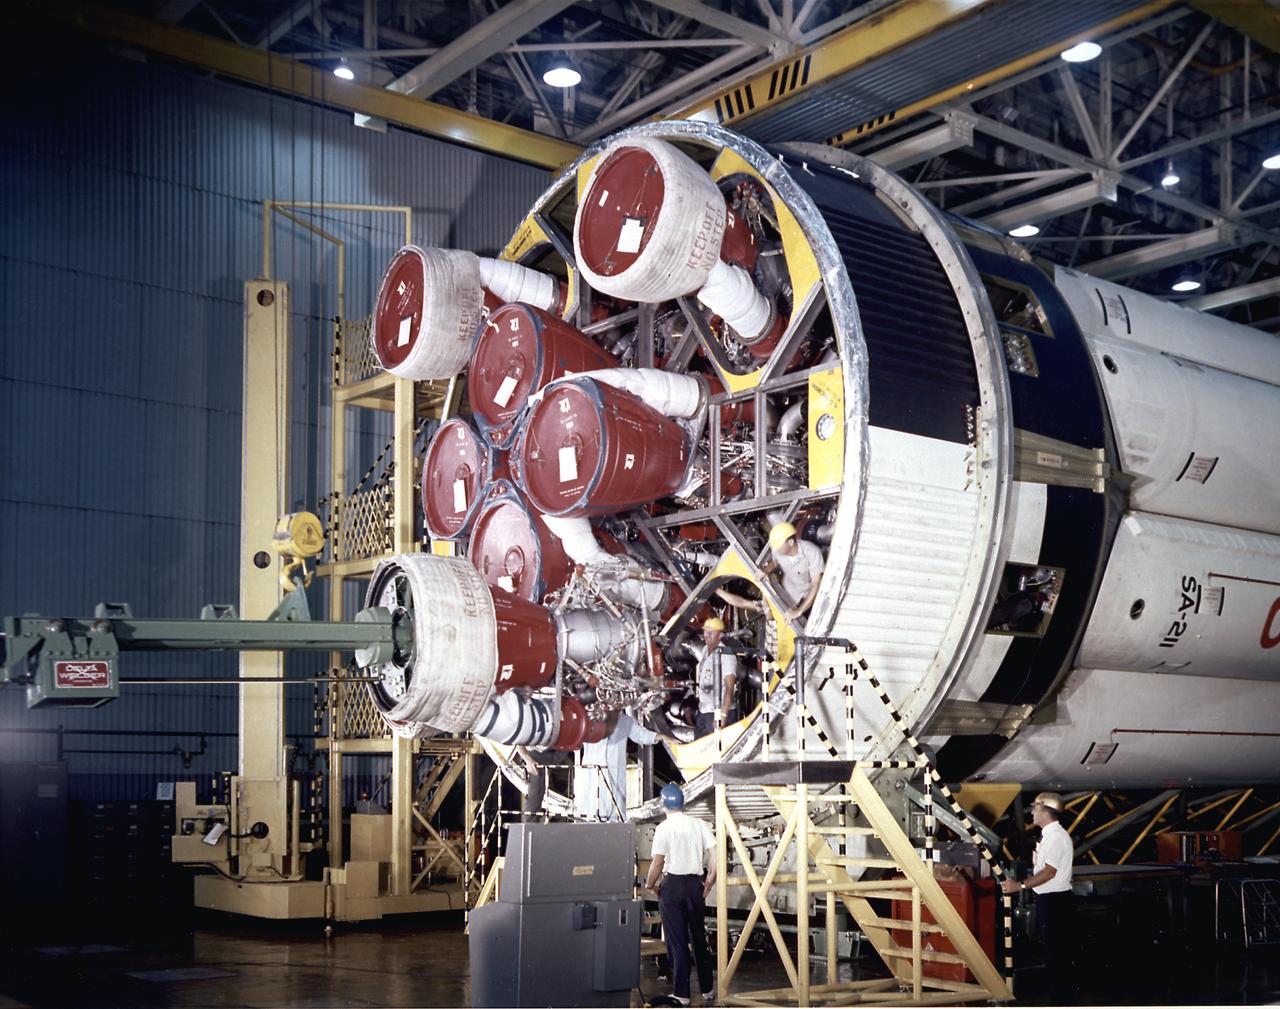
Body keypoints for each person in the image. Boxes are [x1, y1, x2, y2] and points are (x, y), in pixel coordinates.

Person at [644, 784, 716, 1007]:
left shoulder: (664, 828)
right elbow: (715, 854)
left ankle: (682, 993)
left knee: (677, 942)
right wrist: (711, 877)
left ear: (664, 804)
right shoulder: (699, 824)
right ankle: (707, 989)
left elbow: (658, 862)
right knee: (698, 939)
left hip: (673, 886)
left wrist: (649, 884)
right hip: (696, 885)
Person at [1001, 791, 1075, 1003]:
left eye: (1035, 808)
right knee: (1054, 956)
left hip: (1055, 901)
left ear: (1045, 811)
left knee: (1057, 957)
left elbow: (1049, 872)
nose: (1032, 812)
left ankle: (1061, 1002)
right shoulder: (1049, 836)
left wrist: (1020, 885)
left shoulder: (1056, 838)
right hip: (1050, 900)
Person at [575, 711, 675, 820]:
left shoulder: (625, 721)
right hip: (592, 774)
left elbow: (642, 735)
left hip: (615, 776)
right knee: (590, 809)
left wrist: (663, 737)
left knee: (614, 811)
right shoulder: (590, 717)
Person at [762, 521, 824, 620]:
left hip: (806, 600)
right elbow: (774, 562)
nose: (775, 549)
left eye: (777, 546)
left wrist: (799, 611)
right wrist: (766, 570)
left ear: (790, 542)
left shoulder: (812, 553)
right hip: (787, 593)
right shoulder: (778, 551)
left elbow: (816, 584)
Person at [692, 617, 737, 738]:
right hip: (704, 711)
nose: (706, 635)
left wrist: (723, 716)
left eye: (710, 632)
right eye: (705, 631)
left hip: (718, 711)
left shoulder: (726, 654)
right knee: (700, 748)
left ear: (720, 635)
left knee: (717, 749)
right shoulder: (705, 650)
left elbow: (729, 687)